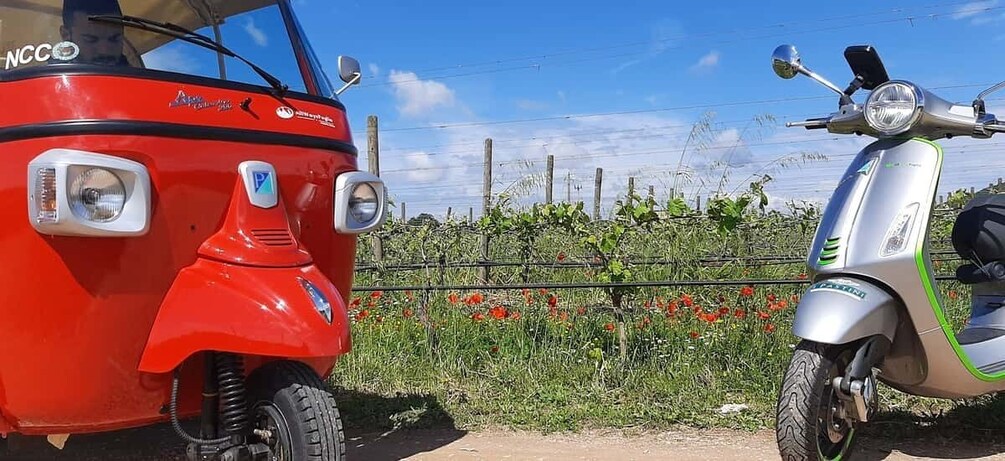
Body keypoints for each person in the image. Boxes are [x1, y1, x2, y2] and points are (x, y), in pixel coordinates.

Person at [59, 0, 129, 66]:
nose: (104, 51)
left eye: (114, 39)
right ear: (65, 35)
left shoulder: (136, 74)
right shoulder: (52, 75)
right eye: (90, 40)